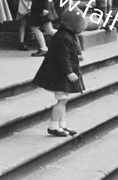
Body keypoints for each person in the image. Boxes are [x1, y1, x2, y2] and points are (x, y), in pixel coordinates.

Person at [32, 8, 87, 137]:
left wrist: (76, 57)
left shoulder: (65, 34)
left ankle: (62, 125)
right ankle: (53, 125)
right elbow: (63, 58)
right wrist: (69, 72)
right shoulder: (64, 37)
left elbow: (67, 54)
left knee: (64, 100)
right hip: (60, 75)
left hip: (59, 74)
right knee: (61, 101)